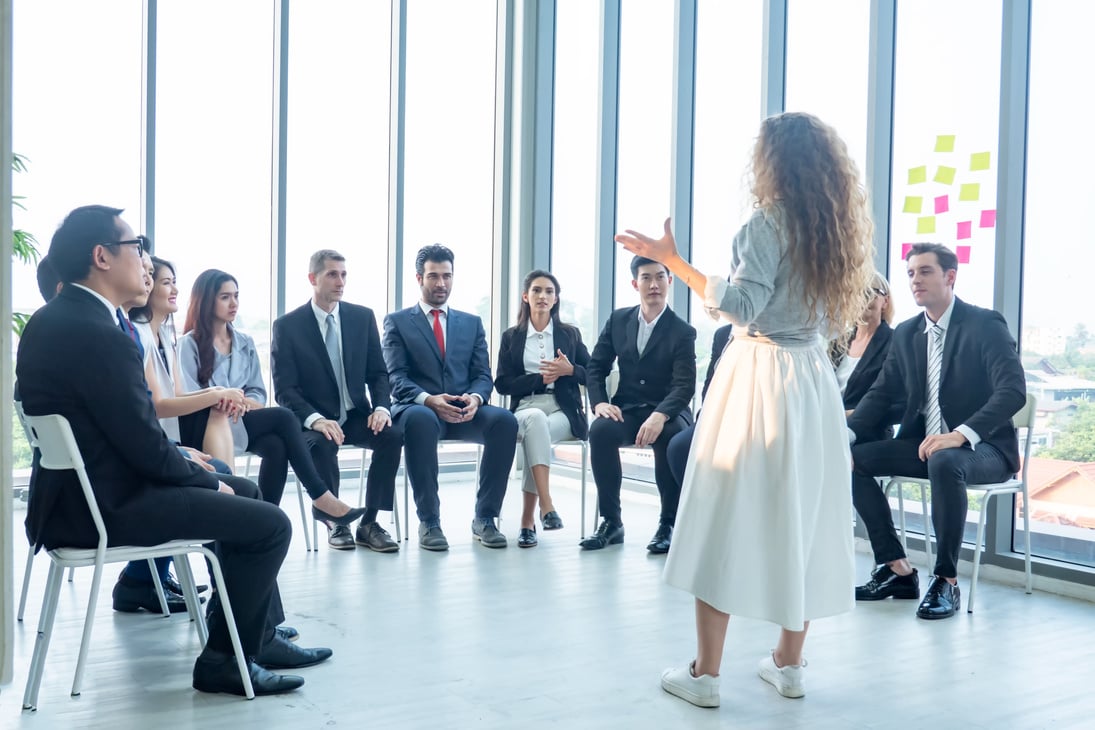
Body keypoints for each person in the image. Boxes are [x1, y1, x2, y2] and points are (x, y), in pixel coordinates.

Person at [17, 205, 332, 696]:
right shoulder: (100, 334)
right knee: (270, 523)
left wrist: (192, 463)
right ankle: (226, 661)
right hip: (107, 506)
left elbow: (123, 433)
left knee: (244, 490)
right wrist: (207, 477)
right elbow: (144, 447)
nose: (143, 259)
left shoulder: (54, 320)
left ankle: (257, 637)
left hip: (81, 497)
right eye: (135, 246)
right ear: (102, 256)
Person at [615, 112, 875, 706]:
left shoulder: (769, 223)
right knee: (803, 515)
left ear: (773, 162)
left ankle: (705, 675)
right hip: (812, 381)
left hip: (759, 376)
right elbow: (835, 322)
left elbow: (741, 306)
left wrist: (674, 262)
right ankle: (789, 663)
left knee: (721, 512)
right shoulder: (838, 234)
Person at [848, 243, 1025, 620]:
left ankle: (946, 579)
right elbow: (881, 394)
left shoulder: (984, 324)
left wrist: (961, 433)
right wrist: (842, 436)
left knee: (946, 460)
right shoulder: (908, 332)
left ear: (950, 277)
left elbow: (1013, 391)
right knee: (851, 459)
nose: (915, 280)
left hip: (986, 448)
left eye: (925, 271)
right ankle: (895, 568)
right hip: (925, 445)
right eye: (911, 273)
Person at [178, 269, 366, 532]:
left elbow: (258, 392)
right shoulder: (188, 344)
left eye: (236, 296)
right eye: (225, 297)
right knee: (284, 416)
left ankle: (263, 524)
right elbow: (188, 395)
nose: (233, 304)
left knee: (277, 446)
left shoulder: (244, 341)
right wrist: (223, 400)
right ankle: (320, 496)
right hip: (210, 427)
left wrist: (241, 402)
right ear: (206, 301)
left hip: (242, 420)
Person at [382, 244, 518, 551]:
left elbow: (483, 374)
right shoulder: (398, 322)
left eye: (447, 276)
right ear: (419, 278)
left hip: (463, 410)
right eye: (433, 276)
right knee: (419, 421)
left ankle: (485, 518)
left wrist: (476, 399)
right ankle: (429, 521)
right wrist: (429, 400)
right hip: (421, 410)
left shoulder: (471, 323)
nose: (441, 283)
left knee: (505, 421)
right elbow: (396, 378)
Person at [271, 250, 402, 552]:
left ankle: (369, 522)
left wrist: (382, 407)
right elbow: (285, 389)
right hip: (314, 419)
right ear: (312, 279)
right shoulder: (287, 326)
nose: (340, 281)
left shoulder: (361, 317)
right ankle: (337, 521)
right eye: (332, 274)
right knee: (322, 443)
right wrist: (315, 419)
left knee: (392, 435)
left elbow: (378, 373)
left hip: (356, 414)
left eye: (343, 274)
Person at [581, 256, 696, 553]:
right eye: (646, 278)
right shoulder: (618, 320)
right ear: (635, 284)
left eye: (660, 277)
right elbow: (596, 367)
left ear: (670, 281)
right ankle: (611, 522)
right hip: (628, 408)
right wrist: (600, 404)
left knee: (670, 437)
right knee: (601, 431)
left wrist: (660, 415)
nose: (654, 284)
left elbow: (684, 385)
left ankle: (668, 523)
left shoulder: (682, 332)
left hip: (669, 410)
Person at [495, 270, 591, 548]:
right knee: (536, 421)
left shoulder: (569, 334)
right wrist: (539, 379)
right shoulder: (512, 337)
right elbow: (501, 384)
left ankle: (528, 521)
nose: (542, 296)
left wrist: (570, 369)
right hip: (526, 407)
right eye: (536, 290)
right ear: (526, 297)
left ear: (556, 299)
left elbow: (592, 373)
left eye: (549, 291)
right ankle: (546, 506)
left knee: (538, 434)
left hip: (563, 410)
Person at [665, 324, 732, 500]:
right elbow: (710, 384)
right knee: (679, 447)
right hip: (717, 416)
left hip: (755, 418)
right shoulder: (723, 334)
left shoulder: (774, 333)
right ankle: (699, 506)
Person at [831, 271, 896, 438]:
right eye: (854, 293)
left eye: (868, 292)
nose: (861, 299)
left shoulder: (895, 342)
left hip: (869, 434)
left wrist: (848, 415)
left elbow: (893, 400)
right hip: (828, 426)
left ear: (885, 301)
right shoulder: (836, 343)